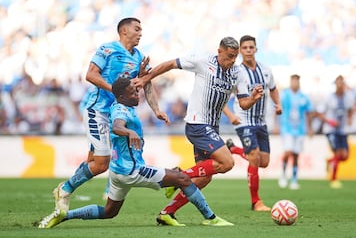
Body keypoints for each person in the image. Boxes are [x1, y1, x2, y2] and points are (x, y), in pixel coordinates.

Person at [38, 77, 234, 228]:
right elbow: (116, 126)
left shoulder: (122, 106)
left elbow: (124, 113)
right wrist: (129, 131)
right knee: (182, 180)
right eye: (133, 92)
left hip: (117, 172)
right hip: (132, 170)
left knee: (109, 212)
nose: (137, 95)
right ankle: (211, 218)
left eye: (136, 90)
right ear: (122, 96)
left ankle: (64, 215)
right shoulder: (121, 110)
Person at [133, 36, 264, 225]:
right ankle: (178, 177)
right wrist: (147, 77)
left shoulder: (238, 72)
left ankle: (167, 212)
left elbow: (243, 104)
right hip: (197, 125)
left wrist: (253, 98)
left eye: (235, 57)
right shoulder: (203, 61)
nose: (232, 61)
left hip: (212, 127)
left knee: (204, 179)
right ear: (219, 52)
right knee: (227, 163)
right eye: (229, 56)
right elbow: (171, 64)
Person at [52, 17, 168, 212]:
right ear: (123, 31)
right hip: (98, 111)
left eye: (141, 30)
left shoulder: (139, 56)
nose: (141, 33)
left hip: (118, 114)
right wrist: (114, 89)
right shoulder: (107, 49)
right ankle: (65, 189)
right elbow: (90, 74)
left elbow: (146, 83)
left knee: (95, 161)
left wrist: (156, 110)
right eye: (137, 29)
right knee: (101, 163)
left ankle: (79, 188)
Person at [224, 35, 282, 211]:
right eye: (245, 48)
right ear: (240, 51)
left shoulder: (265, 70)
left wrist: (278, 103)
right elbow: (222, 97)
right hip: (244, 121)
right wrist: (231, 115)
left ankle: (233, 149)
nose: (248, 50)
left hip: (261, 122)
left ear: (256, 49)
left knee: (263, 162)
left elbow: (273, 89)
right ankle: (256, 202)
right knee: (255, 158)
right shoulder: (235, 72)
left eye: (251, 47)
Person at [316, 75, 356, 189]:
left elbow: (351, 109)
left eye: (342, 83)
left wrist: (349, 119)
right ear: (335, 85)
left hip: (343, 130)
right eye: (338, 83)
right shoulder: (329, 98)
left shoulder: (348, 97)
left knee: (345, 156)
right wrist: (330, 121)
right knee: (338, 154)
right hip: (331, 130)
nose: (340, 86)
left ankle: (329, 161)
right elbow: (320, 113)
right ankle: (334, 179)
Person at [276, 74, 314, 190]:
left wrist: (310, 128)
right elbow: (277, 108)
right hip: (286, 128)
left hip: (300, 130)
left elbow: (309, 113)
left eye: (296, 81)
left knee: (296, 154)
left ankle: (294, 179)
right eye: (293, 81)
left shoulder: (304, 97)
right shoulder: (284, 95)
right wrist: (277, 125)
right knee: (288, 152)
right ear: (290, 81)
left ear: (299, 82)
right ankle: (283, 175)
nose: (295, 83)